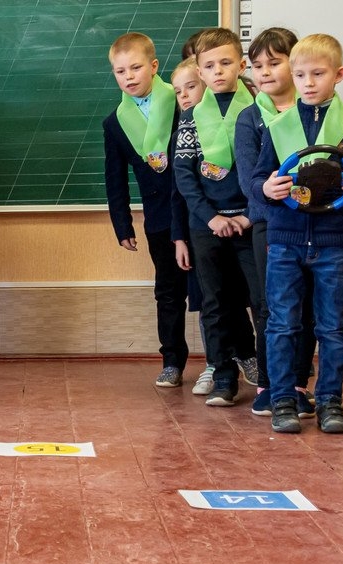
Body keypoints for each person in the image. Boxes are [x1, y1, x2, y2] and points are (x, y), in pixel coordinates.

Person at [253, 33, 343, 434]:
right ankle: (282, 400)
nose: (308, 83)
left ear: (338, 75)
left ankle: (329, 402)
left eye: (318, 74)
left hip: (333, 242)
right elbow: (259, 178)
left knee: (332, 326)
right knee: (282, 324)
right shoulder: (277, 127)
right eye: (301, 75)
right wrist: (266, 188)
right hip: (285, 241)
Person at [173, 26, 261, 407]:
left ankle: (269, 381)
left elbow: (267, 168)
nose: (218, 71)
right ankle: (224, 377)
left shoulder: (259, 110)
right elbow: (184, 175)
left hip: (250, 223)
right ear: (200, 71)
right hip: (206, 225)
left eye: (226, 63)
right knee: (215, 303)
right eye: (209, 66)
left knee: (261, 301)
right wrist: (210, 218)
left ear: (242, 66)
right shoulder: (191, 117)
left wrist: (248, 216)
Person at [234, 27, 316, 418]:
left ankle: (297, 385)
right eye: (257, 65)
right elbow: (250, 180)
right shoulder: (250, 118)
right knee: (271, 307)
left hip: (315, 226)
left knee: (307, 307)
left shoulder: (318, 112)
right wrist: (270, 191)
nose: (264, 72)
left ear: (294, 64)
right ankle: (269, 385)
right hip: (270, 225)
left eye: (274, 63)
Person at [103, 32, 186, 388]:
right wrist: (123, 225)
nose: (129, 77)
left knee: (216, 291)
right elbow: (115, 178)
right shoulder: (115, 122)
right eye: (120, 71)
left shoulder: (184, 100)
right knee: (168, 292)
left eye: (136, 68)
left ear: (153, 66)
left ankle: (225, 360)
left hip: (198, 212)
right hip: (159, 217)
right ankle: (172, 361)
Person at [169, 56, 214, 396]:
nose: (184, 96)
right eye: (177, 91)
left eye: (191, 87)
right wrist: (179, 238)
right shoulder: (179, 135)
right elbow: (178, 192)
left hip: (238, 223)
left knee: (244, 299)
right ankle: (215, 363)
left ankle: (249, 358)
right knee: (208, 300)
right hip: (197, 228)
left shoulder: (237, 122)